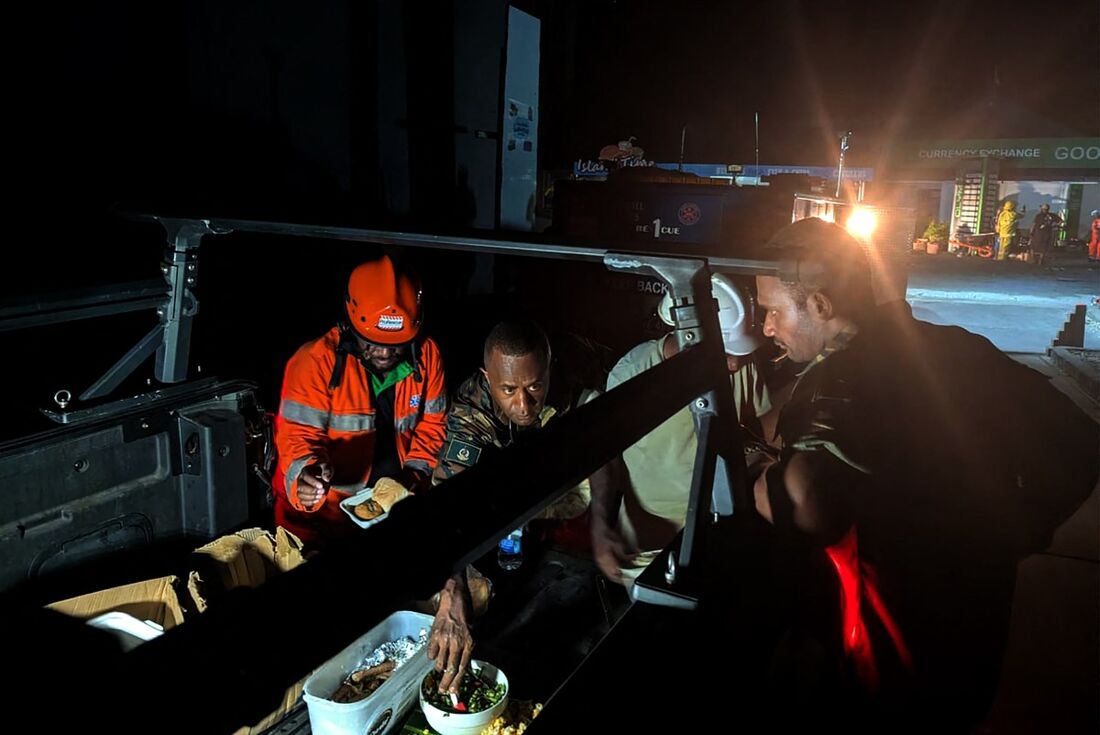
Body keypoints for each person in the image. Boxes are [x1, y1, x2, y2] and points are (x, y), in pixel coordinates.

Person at [751, 217, 1097, 727]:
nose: (766, 328)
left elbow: (808, 505)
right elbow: (1082, 442)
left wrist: (752, 475)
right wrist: (1023, 528)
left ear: (821, 305)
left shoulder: (839, 378)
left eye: (773, 311)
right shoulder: (954, 347)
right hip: (977, 630)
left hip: (890, 654)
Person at [272, 255, 476, 694]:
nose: (384, 353)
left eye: (395, 344)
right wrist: (306, 475)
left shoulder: (427, 359)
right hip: (319, 527)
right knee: (323, 643)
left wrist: (413, 484)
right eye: (372, 342)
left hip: (390, 520)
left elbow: (432, 430)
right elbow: (294, 439)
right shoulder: (314, 364)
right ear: (349, 323)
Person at [589, 274, 772, 588]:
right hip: (644, 552)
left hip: (714, 536)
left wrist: (759, 463)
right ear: (688, 335)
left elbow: (766, 427)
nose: (734, 365)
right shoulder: (634, 374)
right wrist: (599, 524)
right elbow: (604, 456)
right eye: (725, 353)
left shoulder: (741, 366)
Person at [433, 319, 607, 526]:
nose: (524, 405)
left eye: (534, 387)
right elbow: (448, 492)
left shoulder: (576, 378)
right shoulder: (472, 409)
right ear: (488, 378)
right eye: (509, 390)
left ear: (549, 370)